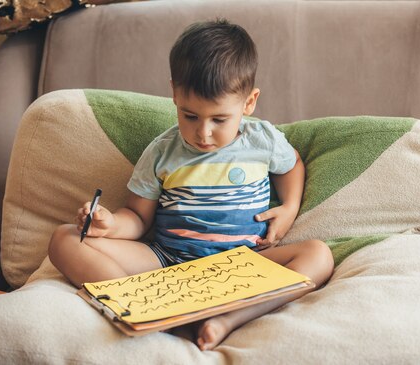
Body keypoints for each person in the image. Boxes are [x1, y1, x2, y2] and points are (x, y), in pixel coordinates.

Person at [48, 19, 334, 351]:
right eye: (190, 116)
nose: (203, 133)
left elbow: (292, 165)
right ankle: (151, 311)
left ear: (249, 102)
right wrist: (108, 224)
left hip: (243, 265)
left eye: (219, 120)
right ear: (174, 93)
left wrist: (289, 207)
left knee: (319, 254)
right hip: (167, 264)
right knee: (63, 238)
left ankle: (226, 320)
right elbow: (138, 218)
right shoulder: (162, 152)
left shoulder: (263, 140)